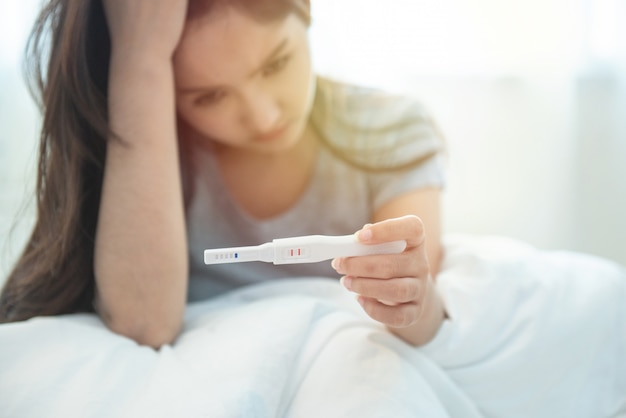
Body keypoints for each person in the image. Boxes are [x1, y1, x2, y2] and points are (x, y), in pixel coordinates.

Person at [0, 0, 447, 349]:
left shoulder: (392, 129)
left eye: (275, 64)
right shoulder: (155, 155)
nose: (263, 116)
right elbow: (143, 325)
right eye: (209, 97)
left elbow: (419, 310)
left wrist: (414, 298)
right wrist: (140, 58)